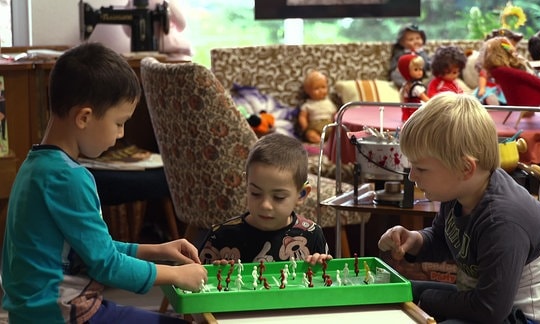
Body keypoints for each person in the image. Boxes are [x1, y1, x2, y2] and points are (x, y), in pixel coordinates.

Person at [1, 42, 208, 324]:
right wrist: (174, 274)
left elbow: (94, 250)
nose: (121, 134)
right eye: (119, 122)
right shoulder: (69, 178)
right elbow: (106, 265)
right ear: (85, 117)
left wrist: (158, 250)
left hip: (34, 314)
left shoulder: (36, 165)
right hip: (61, 314)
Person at [377, 92, 540, 323]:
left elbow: (489, 309)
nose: (412, 177)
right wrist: (415, 240)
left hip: (529, 318)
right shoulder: (461, 191)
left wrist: (428, 301)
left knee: (424, 303)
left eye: (421, 169)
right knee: (402, 291)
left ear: (465, 168)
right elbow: (446, 239)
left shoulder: (502, 222)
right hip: (497, 305)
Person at [198, 133, 332, 266]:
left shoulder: (312, 235)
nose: (265, 205)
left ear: (301, 194)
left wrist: (319, 269)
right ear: (247, 183)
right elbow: (196, 280)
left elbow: (331, 282)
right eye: (256, 193)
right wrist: (212, 275)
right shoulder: (220, 236)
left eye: (278, 197)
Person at [298, 70, 338, 144]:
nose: (321, 90)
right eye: (316, 88)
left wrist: (336, 122)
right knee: (310, 134)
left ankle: (332, 142)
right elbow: (302, 117)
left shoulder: (329, 102)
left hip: (329, 125)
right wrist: (306, 128)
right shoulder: (308, 104)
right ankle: (318, 141)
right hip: (314, 127)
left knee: (337, 132)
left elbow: (335, 114)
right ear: (308, 91)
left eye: (323, 87)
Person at [388, 24, 431, 89]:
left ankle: (421, 86)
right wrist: (396, 68)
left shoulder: (422, 53)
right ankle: (407, 86)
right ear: (402, 43)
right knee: (395, 74)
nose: (416, 41)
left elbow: (427, 64)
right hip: (404, 76)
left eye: (418, 38)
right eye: (411, 40)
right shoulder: (400, 53)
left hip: (420, 76)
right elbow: (393, 64)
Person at [397, 53, 429, 121]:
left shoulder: (406, 85)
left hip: (409, 112)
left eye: (421, 69)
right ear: (407, 71)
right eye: (416, 69)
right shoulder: (416, 87)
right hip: (416, 111)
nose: (420, 72)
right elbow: (426, 99)